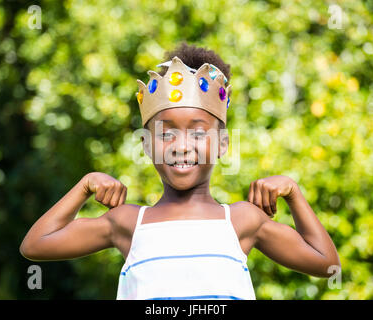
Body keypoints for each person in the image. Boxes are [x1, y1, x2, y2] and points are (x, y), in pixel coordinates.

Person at [20, 42, 340, 300]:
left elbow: (327, 265)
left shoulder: (242, 220)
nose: (181, 145)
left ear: (222, 143)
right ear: (147, 145)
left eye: (199, 133)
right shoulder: (129, 222)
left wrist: (293, 192)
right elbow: (35, 245)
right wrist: (85, 185)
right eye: (166, 133)